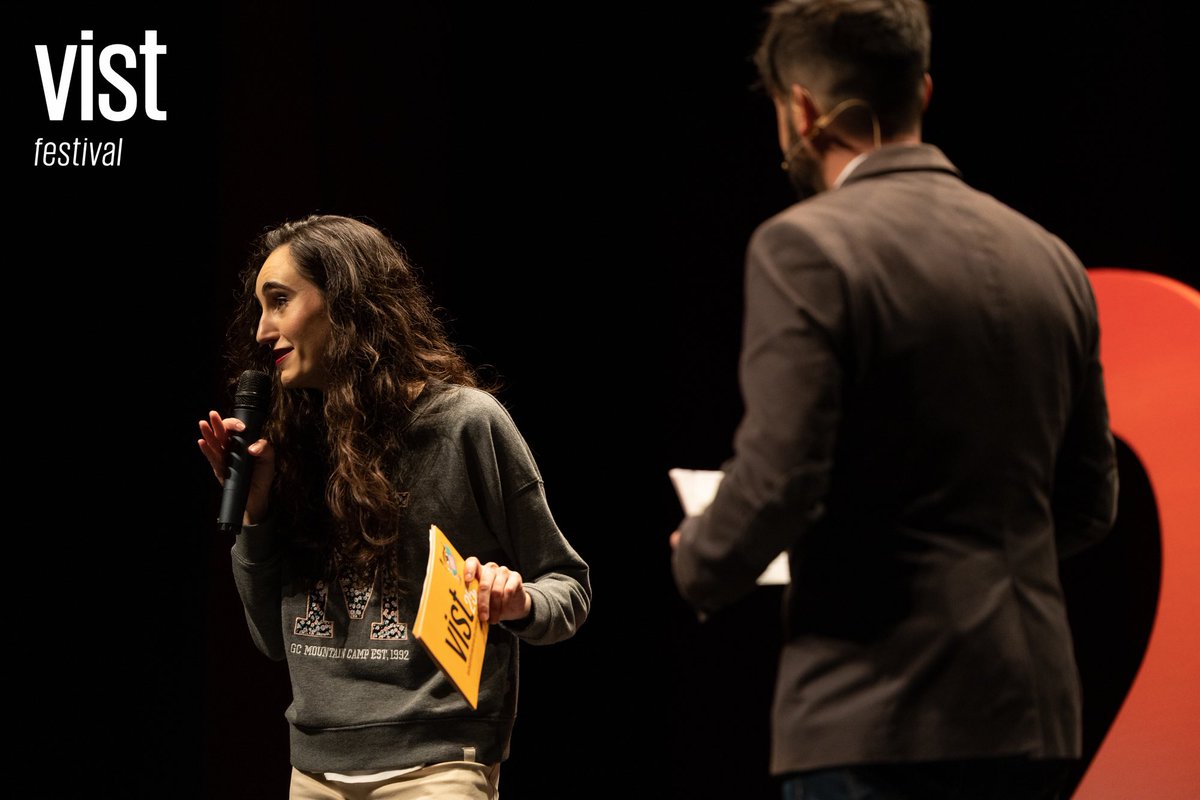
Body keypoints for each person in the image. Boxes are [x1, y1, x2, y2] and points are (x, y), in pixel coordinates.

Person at [670, 2, 1118, 798]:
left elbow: (780, 481)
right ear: (924, 91)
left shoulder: (805, 245)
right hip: (1035, 712)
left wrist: (702, 555)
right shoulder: (1051, 259)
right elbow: (1086, 503)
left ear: (801, 111)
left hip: (875, 710)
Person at [198, 214, 590, 799]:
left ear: (347, 302)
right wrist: (255, 514)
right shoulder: (291, 442)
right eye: (259, 308)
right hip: (313, 769)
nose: (262, 330)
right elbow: (271, 640)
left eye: (279, 301)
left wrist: (518, 601)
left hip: (436, 765)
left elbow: (569, 587)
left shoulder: (465, 424)